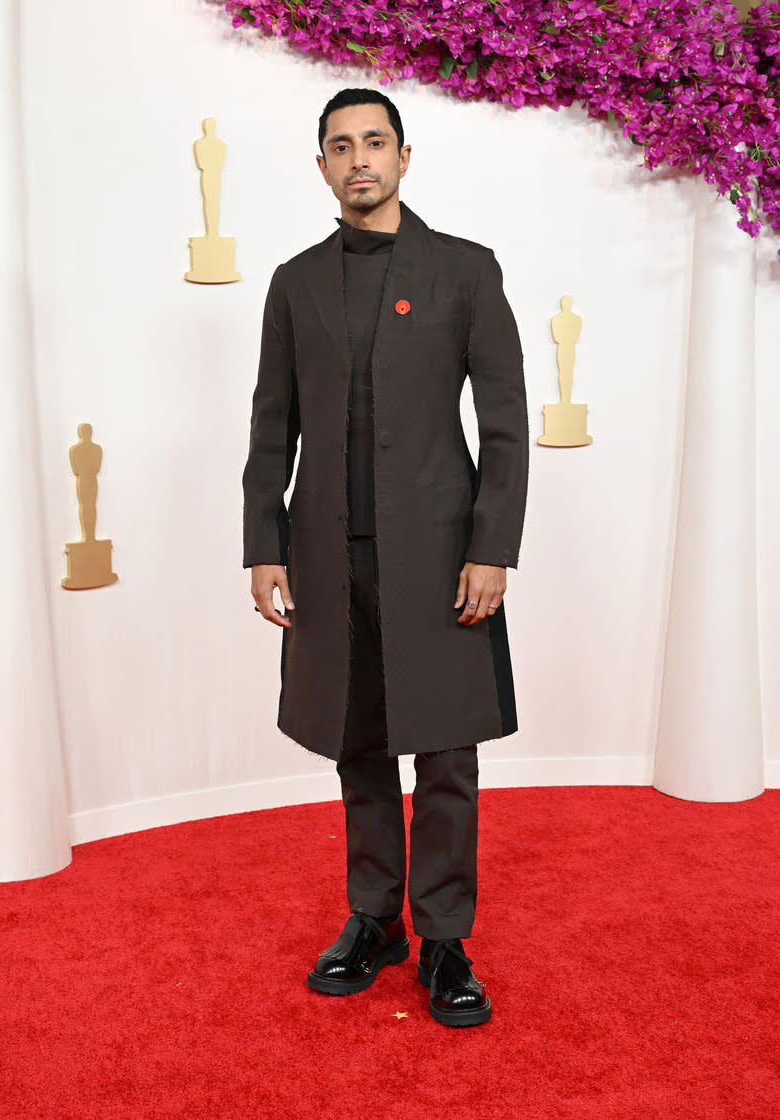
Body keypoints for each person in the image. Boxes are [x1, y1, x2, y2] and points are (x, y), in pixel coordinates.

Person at [242, 87, 528, 1027]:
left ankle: (445, 937)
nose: (358, 158)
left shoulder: (467, 272)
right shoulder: (293, 282)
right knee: (356, 747)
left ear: (406, 157)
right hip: (330, 559)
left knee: (446, 754)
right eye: (340, 146)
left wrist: (493, 549)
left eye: (375, 142)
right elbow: (271, 423)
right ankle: (374, 921)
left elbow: (505, 431)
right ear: (320, 165)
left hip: (443, 558)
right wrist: (263, 545)